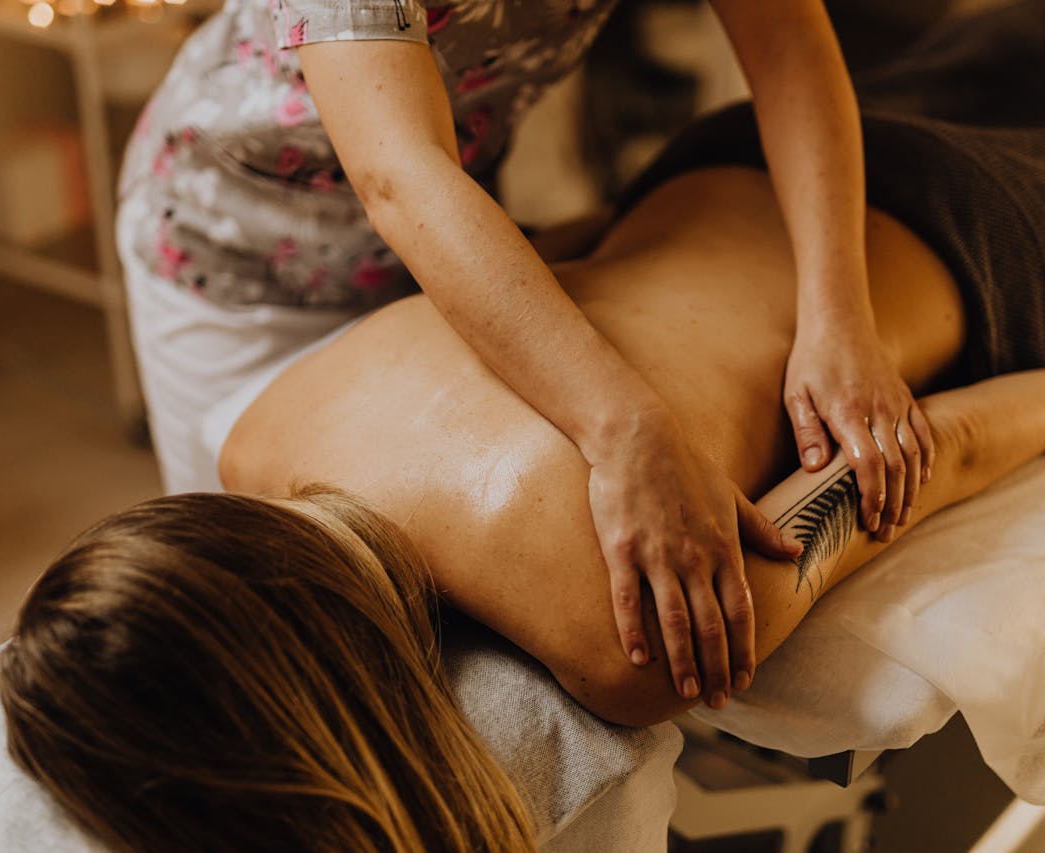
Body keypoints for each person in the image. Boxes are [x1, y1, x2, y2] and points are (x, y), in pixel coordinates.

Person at [10, 1, 1045, 847]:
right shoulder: (266, 428)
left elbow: (915, 457)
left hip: (977, 255)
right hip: (717, 169)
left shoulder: (636, 632)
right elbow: (520, 233)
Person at [118, 0, 921, 691]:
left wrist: (841, 316)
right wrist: (628, 427)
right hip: (228, 261)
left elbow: (787, 45)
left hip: (447, 250)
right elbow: (399, 169)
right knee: (263, 625)